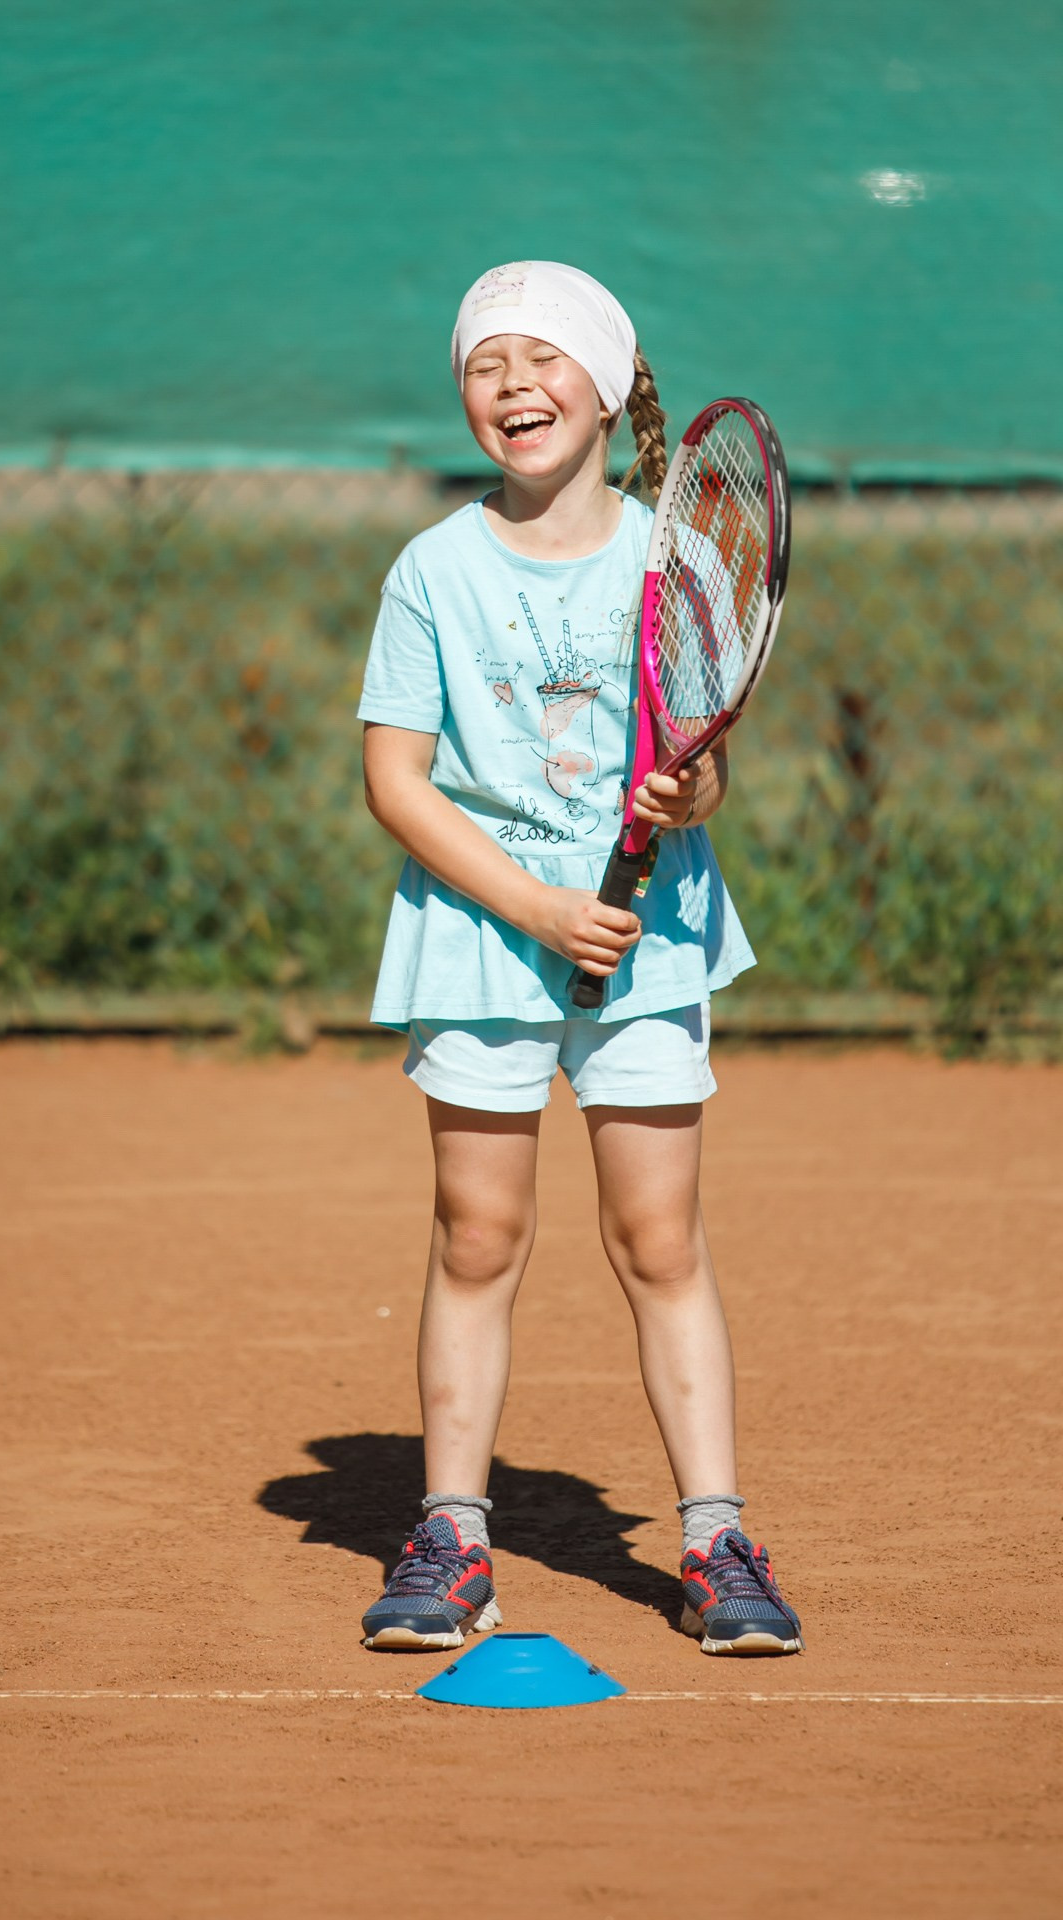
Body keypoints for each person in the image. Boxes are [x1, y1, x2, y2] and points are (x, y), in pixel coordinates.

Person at [356, 261, 802, 1658]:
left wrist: (688, 800)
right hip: (484, 946)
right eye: (487, 364)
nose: (513, 385)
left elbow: (704, 765)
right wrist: (539, 912)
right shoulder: (432, 569)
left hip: (652, 943)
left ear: (610, 391)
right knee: (477, 1238)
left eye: (544, 359)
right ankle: (451, 1536)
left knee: (658, 1240)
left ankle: (717, 1538)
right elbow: (398, 781)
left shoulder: (675, 564)